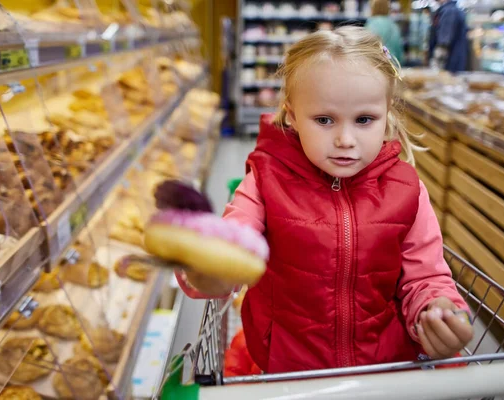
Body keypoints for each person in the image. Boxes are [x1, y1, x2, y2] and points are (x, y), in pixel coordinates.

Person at [176, 26, 473, 374]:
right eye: (324, 120)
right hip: (289, 369)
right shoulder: (265, 182)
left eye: (364, 120)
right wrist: (209, 268)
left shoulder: (407, 189)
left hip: (385, 368)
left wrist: (438, 309)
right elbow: (233, 239)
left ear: (387, 113)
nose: (345, 139)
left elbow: (424, 276)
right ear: (292, 115)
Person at [430, 0, 469, 72]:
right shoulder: (453, 9)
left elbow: (444, 42)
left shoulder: (449, 12)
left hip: (450, 63)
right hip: (456, 61)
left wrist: (436, 65)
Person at [365, 0, 404, 64]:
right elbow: (399, 53)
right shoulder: (394, 26)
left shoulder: (371, 24)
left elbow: (367, 50)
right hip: (393, 66)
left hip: (376, 66)